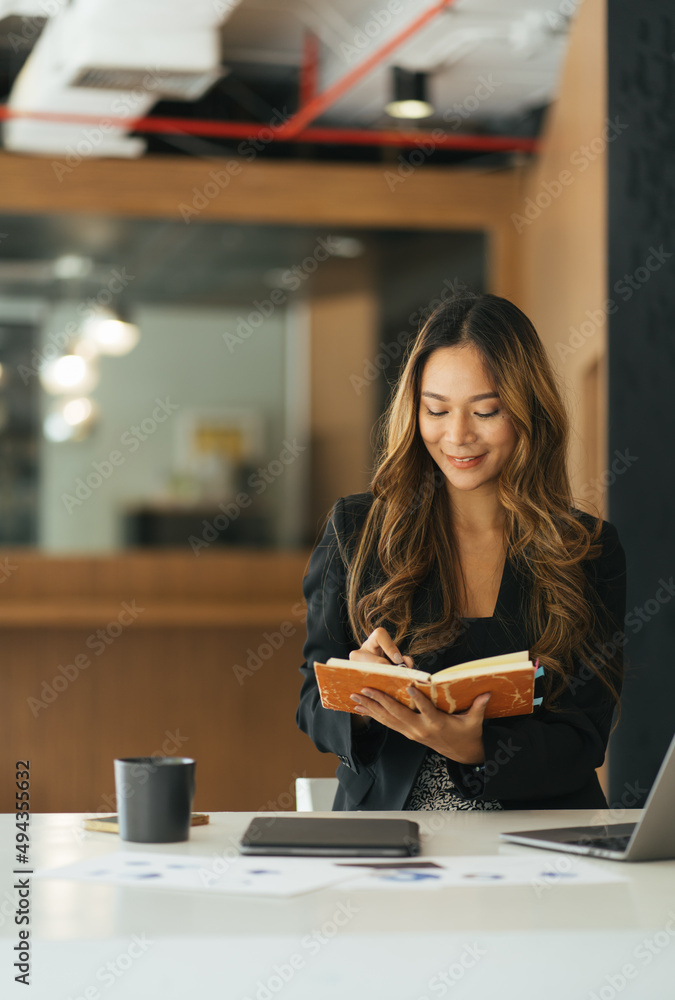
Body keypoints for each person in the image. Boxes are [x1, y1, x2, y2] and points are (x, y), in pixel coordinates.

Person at [296, 292, 626, 811]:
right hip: (393, 844)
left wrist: (474, 748)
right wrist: (360, 699)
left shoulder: (585, 550)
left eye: (486, 411)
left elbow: (584, 737)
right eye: (436, 410)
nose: (457, 436)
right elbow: (311, 707)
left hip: (538, 846)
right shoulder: (357, 529)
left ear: (528, 410)